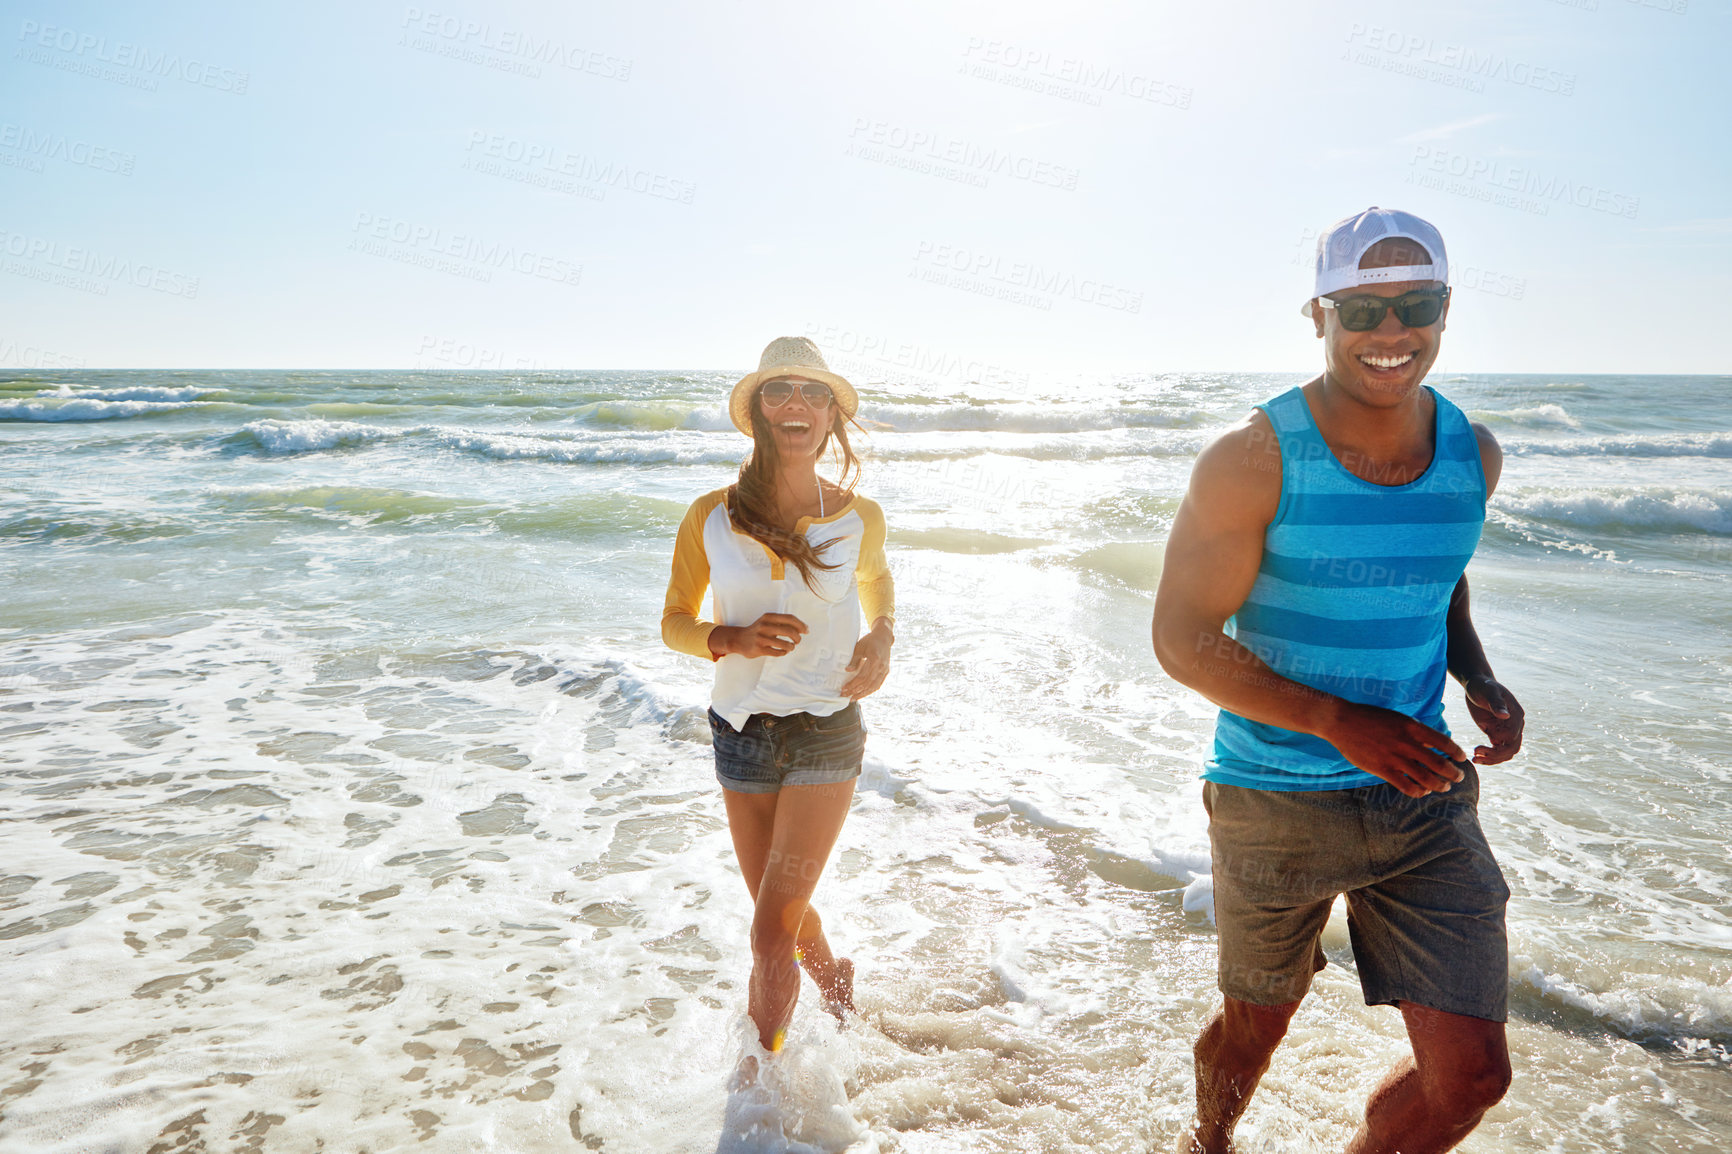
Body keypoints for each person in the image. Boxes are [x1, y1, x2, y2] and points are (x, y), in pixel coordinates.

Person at [1151, 208, 1526, 1154]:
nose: (1391, 331)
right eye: (1363, 310)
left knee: (1474, 1079)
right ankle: (1209, 1144)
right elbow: (1180, 636)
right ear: (1317, 314)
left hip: (1425, 792)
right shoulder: (1254, 457)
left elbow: (1438, 575)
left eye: (1417, 303)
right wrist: (1336, 721)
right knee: (1254, 1033)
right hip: (1273, 797)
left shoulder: (1471, 453)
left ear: (1447, 310)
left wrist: (1476, 673)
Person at [662, 335, 895, 1054]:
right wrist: (732, 638)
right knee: (777, 908)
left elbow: (875, 580)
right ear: (758, 413)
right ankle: (835, 980)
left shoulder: (861, 515)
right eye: (780, 391)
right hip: (741, 733)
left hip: (827, 732)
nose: (798, 404)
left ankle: (763, 1091)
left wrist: (882, 637)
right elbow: (673, 622)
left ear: (831, 418)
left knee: (768, 932)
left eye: (814, 393)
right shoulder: (711, 514)